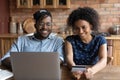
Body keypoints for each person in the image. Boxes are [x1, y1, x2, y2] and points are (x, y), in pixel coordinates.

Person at [65, 7, 107, 80]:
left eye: (84, 27)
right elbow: (69, 59)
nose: (80, 31)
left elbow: (103, 60)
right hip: (76, 74)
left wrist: (91, 70)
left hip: (95, 73)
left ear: (91, 25)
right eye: (77, 28)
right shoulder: (70, 40)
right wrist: (76, 69)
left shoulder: (100, 40)